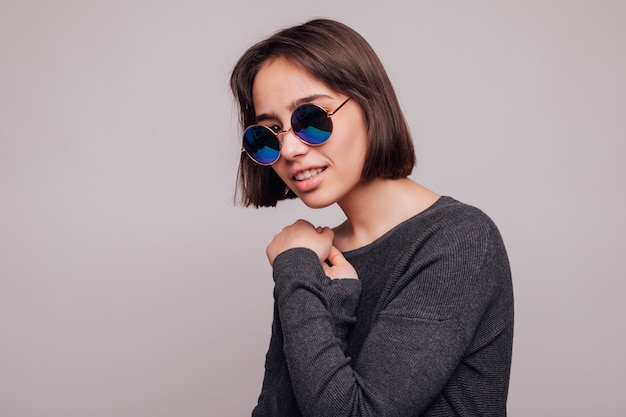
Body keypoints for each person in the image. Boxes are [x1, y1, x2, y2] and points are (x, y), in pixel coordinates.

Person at [230, 18, 514, 417]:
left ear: (369, 106)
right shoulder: (316, 255)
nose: (290, 148)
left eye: (310, 118)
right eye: (269, 132)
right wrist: (330, 297)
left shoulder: (460, 240)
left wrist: (294, 271)